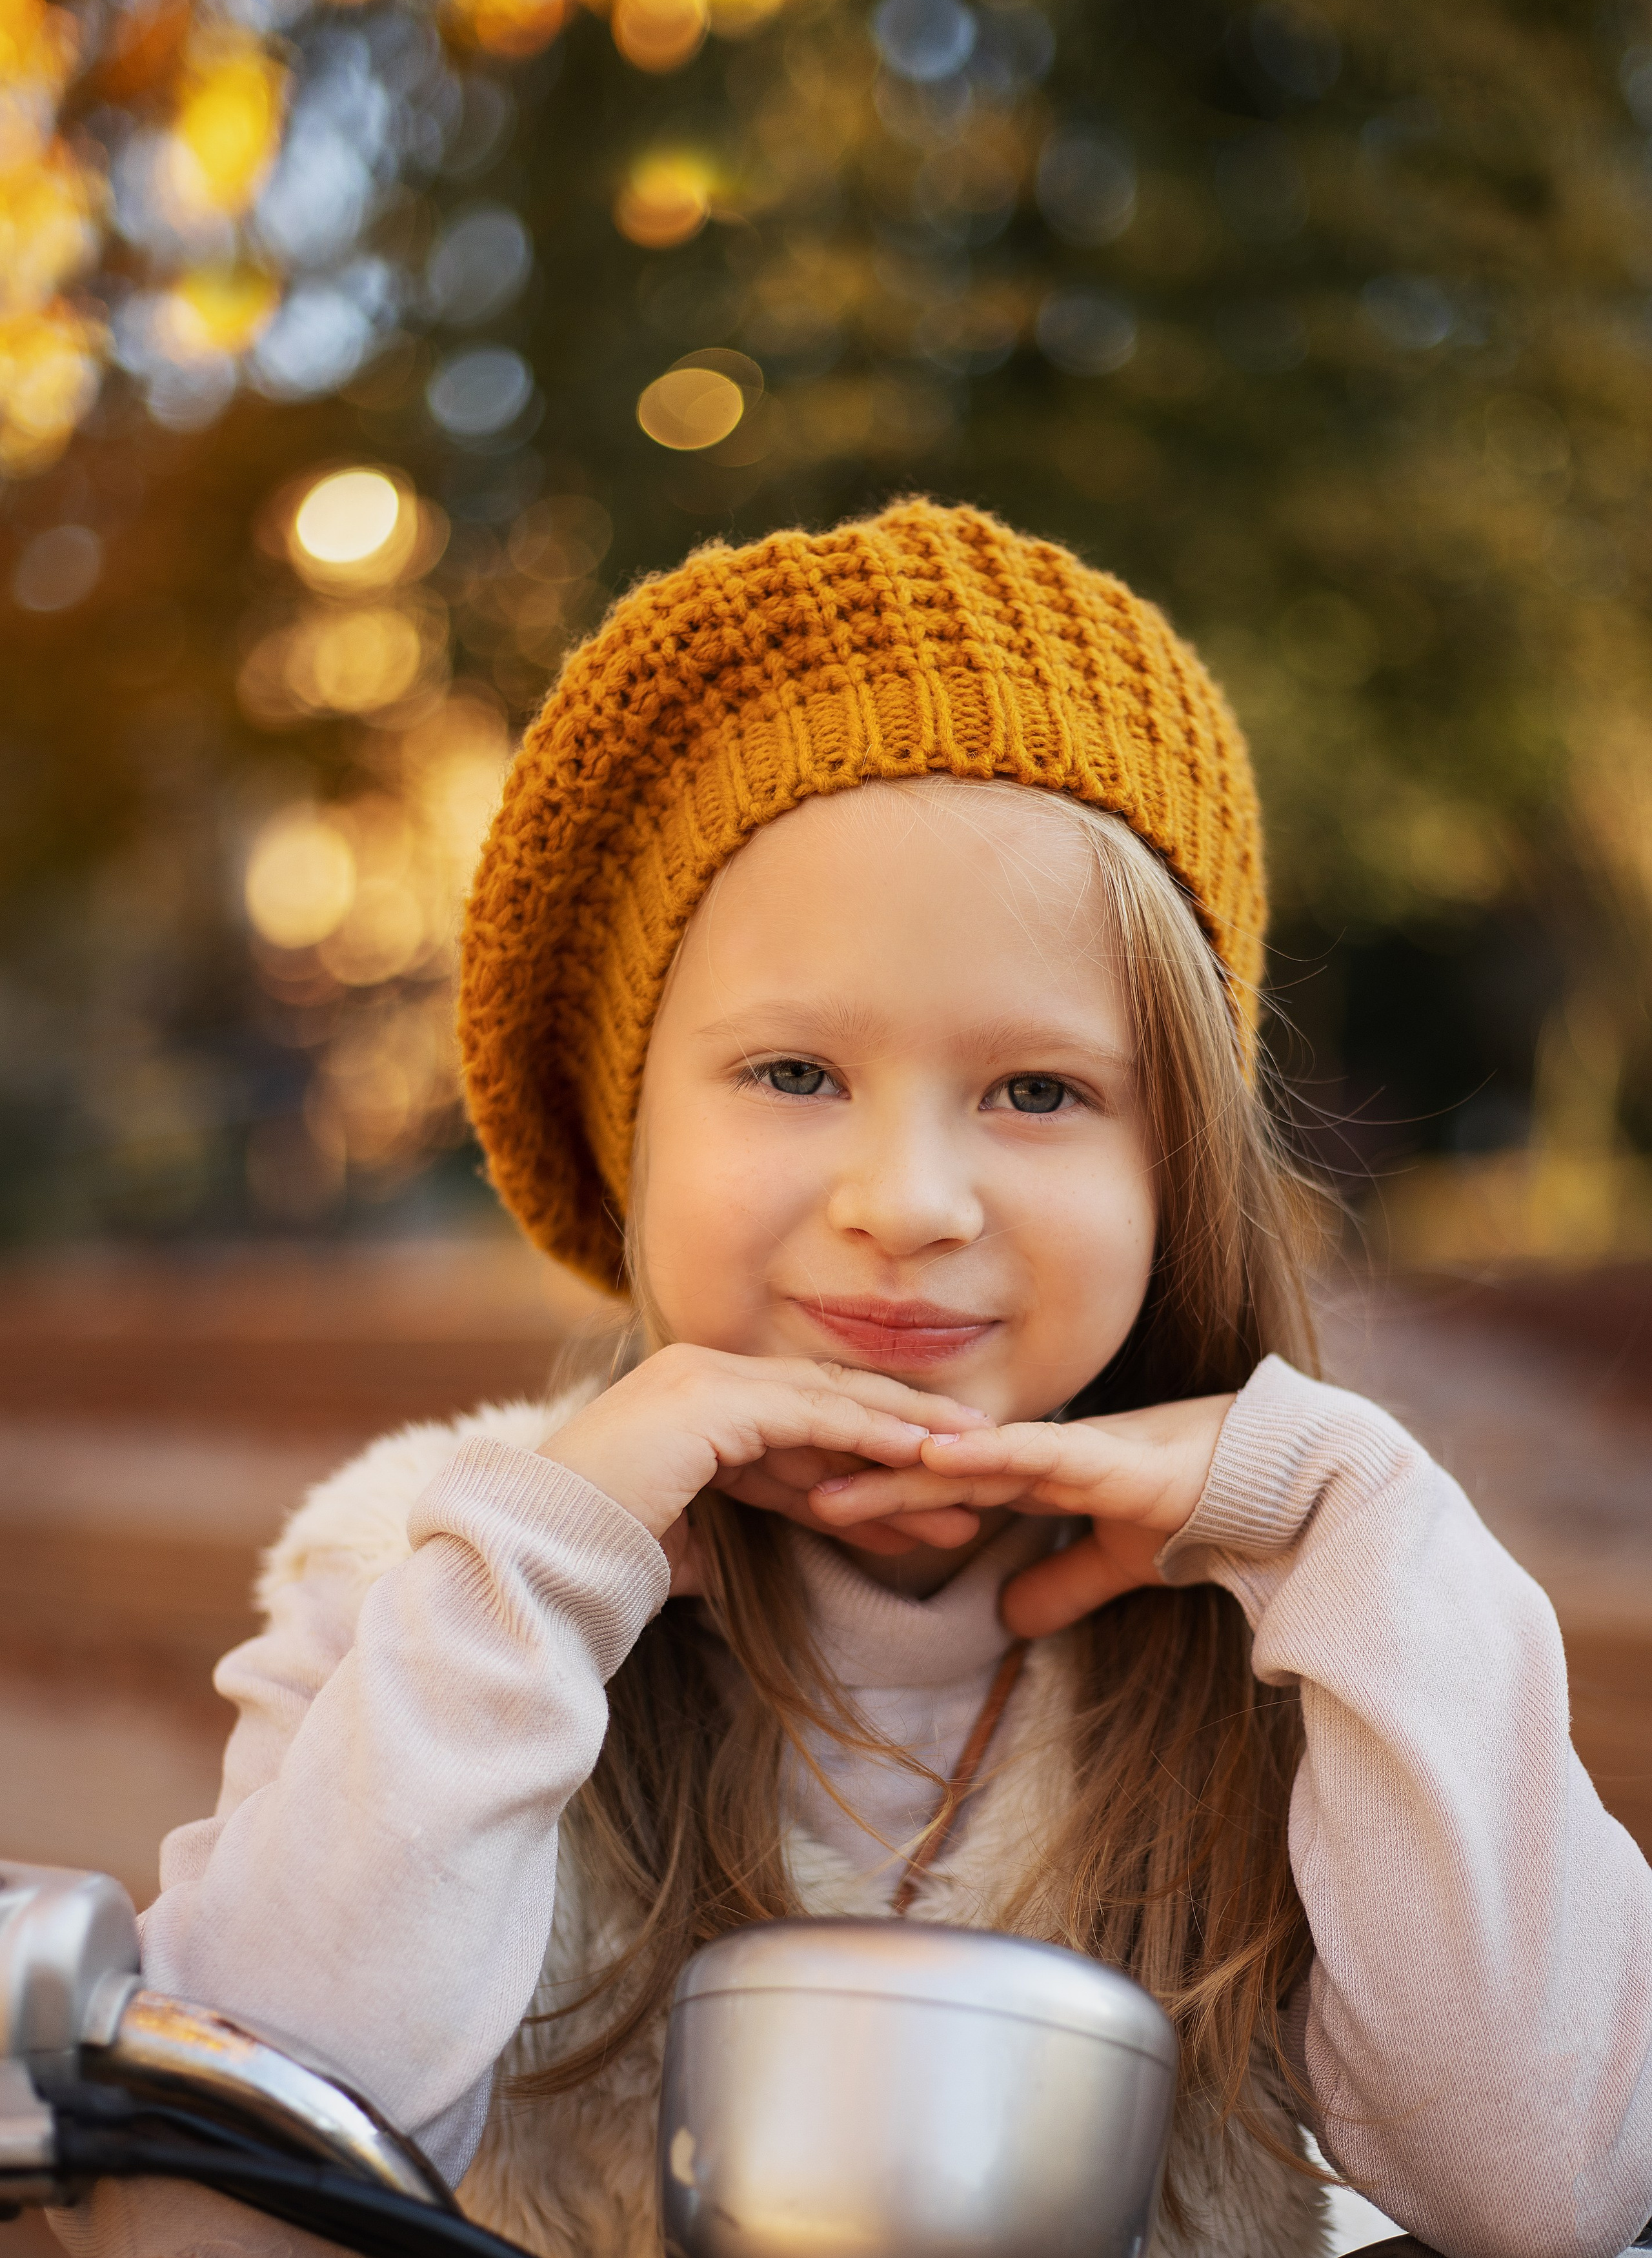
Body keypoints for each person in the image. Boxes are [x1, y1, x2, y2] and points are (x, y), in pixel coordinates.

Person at [59, 499, 1652, 2258]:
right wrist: (543, 1564)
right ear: (629, 1123)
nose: (907, 1203)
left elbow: (1555, 2190)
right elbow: (209, 2188)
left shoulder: (1314, 1646)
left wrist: (1351, 1522)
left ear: (1175, 1161)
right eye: (795, 1069)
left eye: (1038, 1090)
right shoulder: (429, 1587)